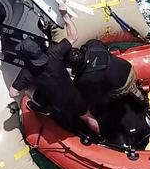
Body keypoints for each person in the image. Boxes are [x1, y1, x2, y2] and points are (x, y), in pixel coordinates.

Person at [11, 8, 100, 136]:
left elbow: (13, 93)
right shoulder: (54, 53)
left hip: (55, 103)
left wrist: (23, 85)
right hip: (74, 96)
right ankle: (98, 137)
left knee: (28, 91)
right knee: (87, 116)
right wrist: (65, 16)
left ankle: (45, 108)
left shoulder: (27, 73)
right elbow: (73, 36)